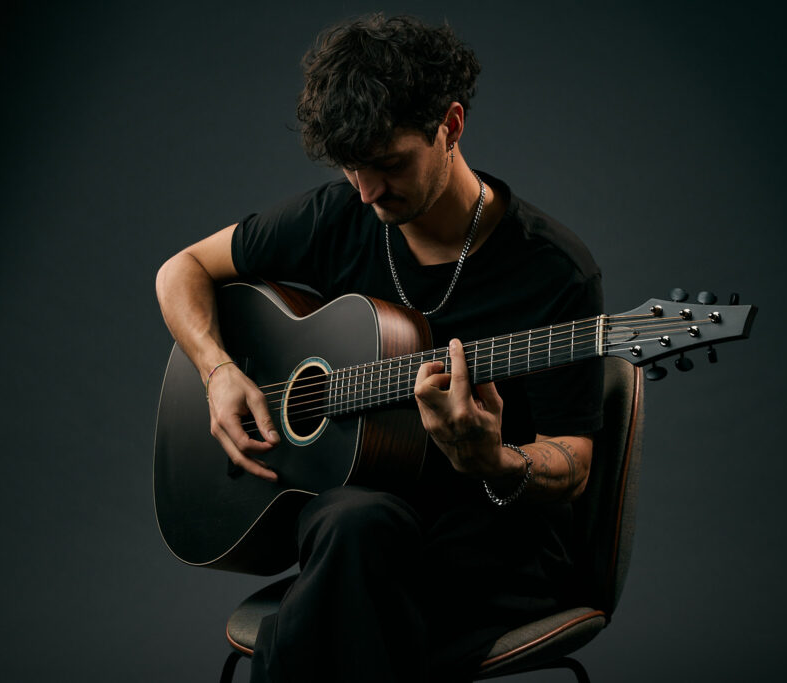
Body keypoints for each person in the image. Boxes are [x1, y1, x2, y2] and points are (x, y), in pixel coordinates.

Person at [155, 13, 604, 682]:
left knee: (351, 555)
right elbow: (180, 270)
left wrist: (496, 456)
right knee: (355, 524)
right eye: (350, 169)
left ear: (450, 125)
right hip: (360, 532)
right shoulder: (339, 215)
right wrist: (218, 369)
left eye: (389, 164)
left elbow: (575, 460)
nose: (365, 192)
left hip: (487, 546)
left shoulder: (553, 269)